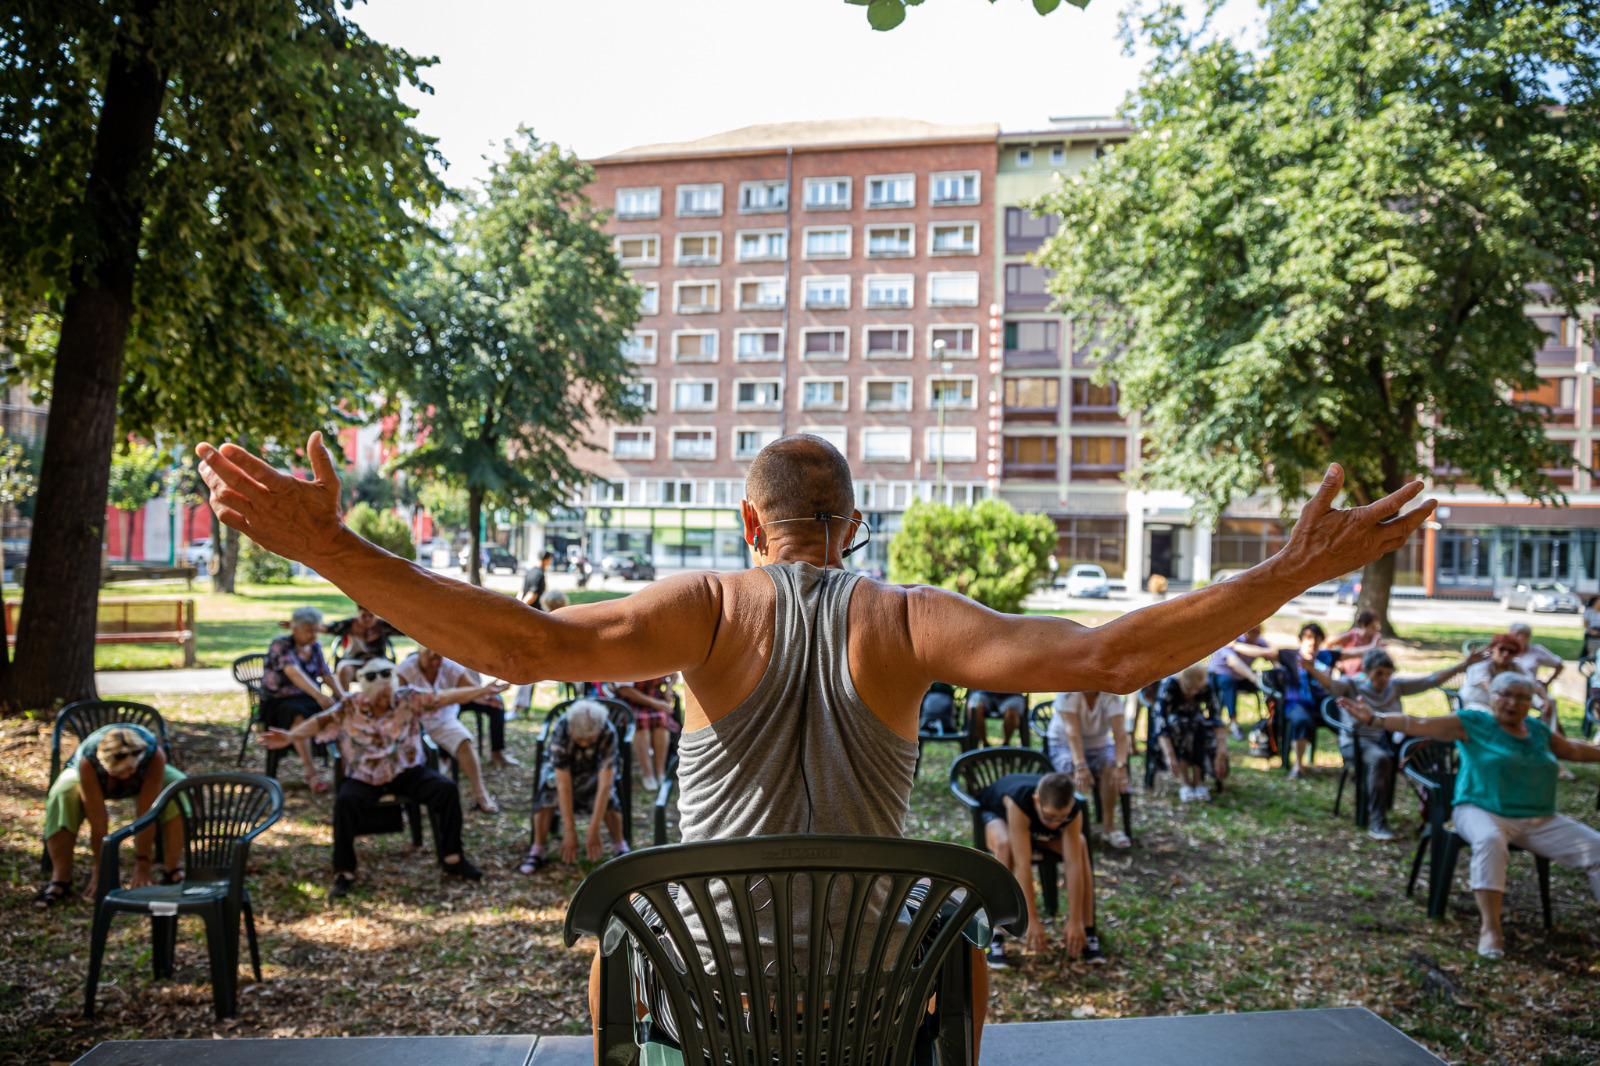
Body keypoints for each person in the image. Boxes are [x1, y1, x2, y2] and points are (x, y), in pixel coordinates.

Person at [199, 431, 1432, 1054]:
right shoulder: (906, 617)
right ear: (852, 525)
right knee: (953, 926)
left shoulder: (704, 606)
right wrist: (1281, 572)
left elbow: (520, 647)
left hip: (704, 998)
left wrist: (335, 551)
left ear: (751, 523)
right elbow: (1110, 655)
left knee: (619, 930)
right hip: (872, 1003)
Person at [1338, 671, 1600, 958]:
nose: (1513, 702)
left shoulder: (1537, 731)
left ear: (1531, 703)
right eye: (1506, 695)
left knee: (1597, 849)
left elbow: (1574, 750)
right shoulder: (1475, 723)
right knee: (1490, 840)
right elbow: (1421, 723)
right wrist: (1376, 718)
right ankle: (1491, 929)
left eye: (1522, 697)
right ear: (1492, 696)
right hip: (1479, 810)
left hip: (1539, 818)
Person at [260, 657, 507, 897]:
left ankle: (453, 857)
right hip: (365, 776)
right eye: (378, 699)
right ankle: (344, 871)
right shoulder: (350, 705)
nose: (384, 702)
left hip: (406, 770)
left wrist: (479, 691)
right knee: (345, 803)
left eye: (387, 696)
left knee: (446, 789)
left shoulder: (408, 697)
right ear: (366, 694)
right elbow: (318, 722)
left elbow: (445, 697)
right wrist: (291, 737)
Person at [1307, 646, 1484, 840]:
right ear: (1366, 671)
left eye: (1388, 674)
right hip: (1359, 742)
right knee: (1380, 760)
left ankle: (1442, 814)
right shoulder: (1351, 686)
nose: (1384, 679)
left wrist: (1464, 665)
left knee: (1431, 752)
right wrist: (1311, 668)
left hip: (1391, 740)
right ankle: (1377, 820)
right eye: (1379, 673)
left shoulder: (1395, 686)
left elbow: (1430, 680)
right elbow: (1328, 683)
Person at [37, 725, 185, 908]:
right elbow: (98, 822)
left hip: (147, 770)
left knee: (179, 787)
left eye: (129, 771)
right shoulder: (88, 759)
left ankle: (173, 867)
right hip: (85, 775)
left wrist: (143, 863)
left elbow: (147, 813)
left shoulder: (153, 755)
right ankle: (60, 878)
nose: (124, 777)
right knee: (63, 793)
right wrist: (101, 869)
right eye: (118, 772)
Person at [977, 771, 1100, 967]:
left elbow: (1073, 864)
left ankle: (1087, 929)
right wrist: (1031, 920)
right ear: (1036, 800)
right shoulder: (1020, 803)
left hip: (1033, 827)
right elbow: (1022, 865)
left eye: (1062, 818)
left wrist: (1074, 919)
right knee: (1005, 844)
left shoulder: (1072, 811)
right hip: (998, 815)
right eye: (1050, 816)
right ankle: (995, 933)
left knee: (1081, 844)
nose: (1056, 824)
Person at [520, 699, 628, 873]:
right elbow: (564, 784)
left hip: (593, 771)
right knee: (548, 789)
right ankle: (537, 850)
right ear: (571, 728)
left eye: (590, 739)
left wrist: (594, 829)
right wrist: (569, 831)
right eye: (580, 739)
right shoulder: (561, 727)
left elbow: (605, 785)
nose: (584, 744)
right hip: (560, 772)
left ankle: (620, 846)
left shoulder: (607, 730)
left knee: (609, 796)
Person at [397, 646, 506, 812]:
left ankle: (481, 794)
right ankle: (404, 804)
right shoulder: (405, 670)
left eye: (438, 657)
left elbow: (472, 692)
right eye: (430, 657)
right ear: (419, 654)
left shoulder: (452, 668)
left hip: (444, 720)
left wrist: (485, 697)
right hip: (412, 722)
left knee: (464, 740)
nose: (435, 662)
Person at [264, 605, 345, 792]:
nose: (314, 635)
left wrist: (343, 696)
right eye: (309, 631)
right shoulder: (281, 644)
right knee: (297, 714)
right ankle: (311, 773)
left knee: (341, 713)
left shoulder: (315, 647)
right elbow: (294, 673)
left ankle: (345, 769)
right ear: (295, 629)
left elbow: (326, 673)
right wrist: (319, 695)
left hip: (307, 696)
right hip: (280, 700)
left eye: (316, 630)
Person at [1047, 689, 1132, 848]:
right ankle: (1072, 829)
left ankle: (1108, 827)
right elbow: (1072, 732)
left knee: (1111, 767)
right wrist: (1080, 765)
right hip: (1064, 743)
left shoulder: (1111, 694)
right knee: (1069, 769)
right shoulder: (1068, 692)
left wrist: (1121, 765)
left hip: (1099, 743)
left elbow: (1120, 733)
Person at [1152, 663, 1228, 801]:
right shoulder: (1170, 685)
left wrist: (1221, 753)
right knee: (1181, 726)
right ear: (1181, 680)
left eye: (1197, 690)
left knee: (1197, 725)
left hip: (1196, 727)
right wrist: (1169, 755)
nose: (1193, 693)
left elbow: (1216, 719)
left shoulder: (1205, 685)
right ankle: (1185, 782)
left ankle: (1198, 781)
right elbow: (1160, 723)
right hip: (1172, 733)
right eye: (1189, 689)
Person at [1273, 623, 1339, 779]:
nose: (1312, 642)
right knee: (1301, 720)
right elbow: (1263, 652)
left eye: (1316, 638)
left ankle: (1353, 763)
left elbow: (1354, 653)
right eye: (1308, 637)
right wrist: (1233, 644)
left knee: (1343, 718)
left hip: (1321, 703)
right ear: (1301, 639)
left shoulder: (1326, 656)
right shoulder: (1290, 655)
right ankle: (1298, 765)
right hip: (1296, 704)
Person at [1206, 626, 1276, 739]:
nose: (1254, 635)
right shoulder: (1231, 638)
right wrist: (1253, 678)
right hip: (1219, 675)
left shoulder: (1258, 641)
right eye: (1252, 631)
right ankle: (1233, 723)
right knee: (1228, 682)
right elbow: (1233, 662)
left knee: (1266, 681)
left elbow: (1272, 654)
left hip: (1241, 677)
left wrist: (1278, 670)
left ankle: (1270, 719)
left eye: (1258, 632)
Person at [614, 675, 679, 791]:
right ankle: (647, 774)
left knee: (661, 719)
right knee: (640, 721)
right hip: (632, 702)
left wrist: (669, 688)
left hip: (656, 700)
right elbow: (624, 689)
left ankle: (660, 772)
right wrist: (654, 703)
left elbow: (675, 674)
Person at [325, 606, 406, 688]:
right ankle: (343, 698)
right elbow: (329, 628)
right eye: (363, 616)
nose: (367, 619)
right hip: (352, 661)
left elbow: (404, 630)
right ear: (358, 614)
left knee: (388, 671)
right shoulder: (349, 624)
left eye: (371, 616)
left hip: (378, 662)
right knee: (344, 669)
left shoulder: (382, 626)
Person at [1507, 621, 1564, 691]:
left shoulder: (1536, 651)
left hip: (1529, 690)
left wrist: (1547, 683)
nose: (1514, 637)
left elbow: (1559, 665)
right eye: (1511, 634)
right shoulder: (1504, 651)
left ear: (1528, 636)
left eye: (1518, 634)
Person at [1327, 610, 1383, 678]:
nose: (1375, 630)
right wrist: (1336, 662)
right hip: (1348, 675)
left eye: (1377, 628)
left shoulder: (1375, 638)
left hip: (1366, 675)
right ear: (1363, 625)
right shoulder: (1353, 636)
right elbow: (1328, 643)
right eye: (1373, 627)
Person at [1584, 595, 1600, 660]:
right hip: (1591, 631)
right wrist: (1592, 632)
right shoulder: (1588, 611)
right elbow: (1585, 623)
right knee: (1588, 647)